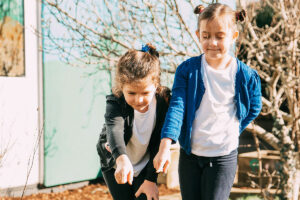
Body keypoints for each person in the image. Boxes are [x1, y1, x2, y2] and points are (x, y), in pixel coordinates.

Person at [153, 3, 262, 200]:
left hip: (223, 158)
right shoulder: (187, 71)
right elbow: (177, 107)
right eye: (206, 36)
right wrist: (164, 147)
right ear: (198, 35)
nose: (212, 42)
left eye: (219, 36)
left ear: (233, 37)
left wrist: (234, 129)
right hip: (190, 157)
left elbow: (254, 107)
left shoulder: (246, 75)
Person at [96, 43, 170, 200]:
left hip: (145, 164)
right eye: (131, 92)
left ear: (155, 85)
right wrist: (121, 159)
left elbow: (159, 141)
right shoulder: (115, 103)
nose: (139, 99)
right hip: (117, 162)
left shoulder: (163, 102)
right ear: (121, 87)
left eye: (145, 92)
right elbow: (114, 130)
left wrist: (151, 179)